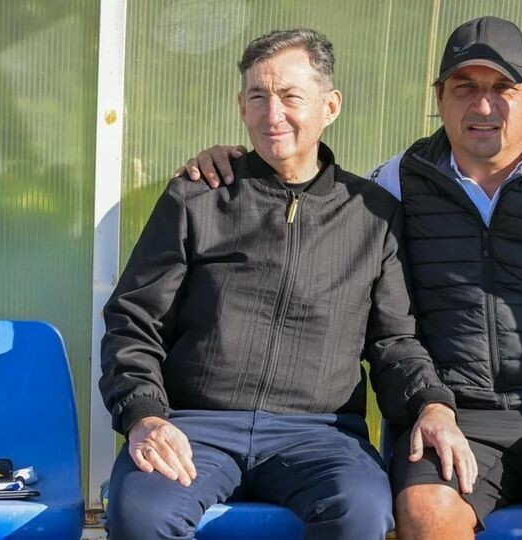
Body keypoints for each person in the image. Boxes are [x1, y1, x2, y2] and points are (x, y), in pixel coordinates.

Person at [177, 16, 522, 539]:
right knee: (427, 510)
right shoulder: (396, 182)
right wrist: (235, 166)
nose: (483, 106)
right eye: (464, 87)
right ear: (440, 97)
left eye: (502, 88)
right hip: (457, 417)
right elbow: (309, 196)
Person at [99, 28, 477, 540]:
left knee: (362, 512)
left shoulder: (373, 215)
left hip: (321, 437)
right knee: (143, 514)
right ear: (241, 106)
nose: (272, 114)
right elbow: (133, 320)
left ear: (330, 106)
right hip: (195, 427)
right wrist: (143, 415)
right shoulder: (197, 197)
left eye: (290, 96)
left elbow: (394, 341)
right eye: (258, 96)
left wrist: (431, 403)